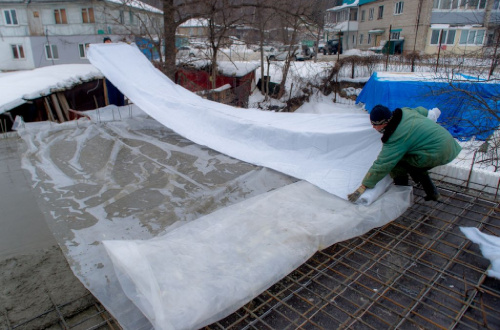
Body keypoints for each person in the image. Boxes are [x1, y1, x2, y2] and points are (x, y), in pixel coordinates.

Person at [348, 105, 462, 203]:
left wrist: (365, 184)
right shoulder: (406, 112)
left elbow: (382, 164)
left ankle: (401, 192)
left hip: (438, 153)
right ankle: (433, 193)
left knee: (397, 164)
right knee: (415, 164)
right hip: (449, 143)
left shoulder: (396, 138)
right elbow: (423, 111)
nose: (373, 127)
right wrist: (432, 114)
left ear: (384, 123)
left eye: (374, 124)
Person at [102, 37, 125, 106]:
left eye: (109, 41)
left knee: (120, 93)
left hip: (118, 76)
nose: (108, 42)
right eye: (106, 41)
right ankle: (114, 109)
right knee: (112, 95)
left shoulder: (115, 51)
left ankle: (121, 108)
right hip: (110, 76)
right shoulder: (102, 52)